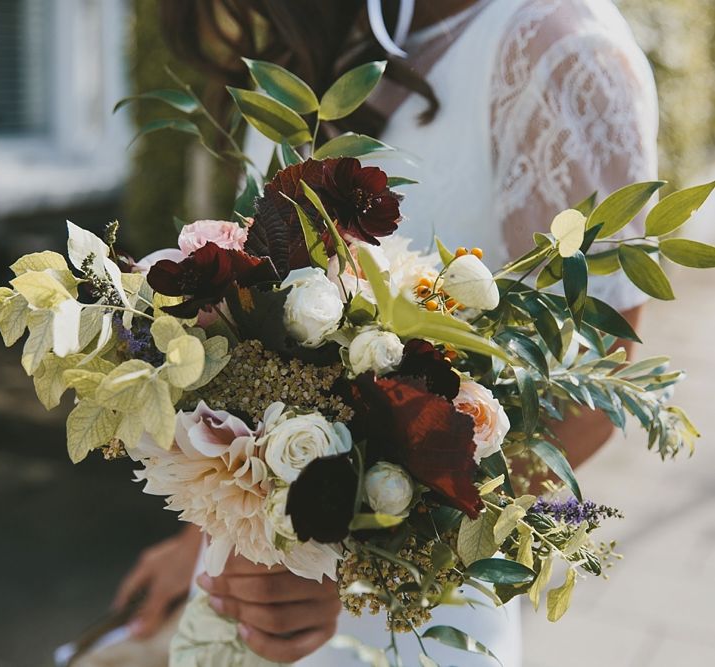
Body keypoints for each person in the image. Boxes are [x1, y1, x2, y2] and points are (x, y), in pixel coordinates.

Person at [112, 0, 658, 664]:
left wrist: (355, 570)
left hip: (404, 622)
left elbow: (593, 391)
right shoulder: (310, 30)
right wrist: (204, 544)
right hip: (242, 596)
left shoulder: (561, 54)